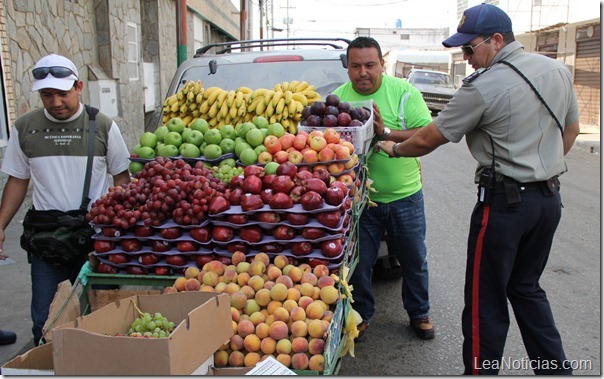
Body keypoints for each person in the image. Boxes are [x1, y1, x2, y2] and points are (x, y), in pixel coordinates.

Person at [377, 3, 579, 374]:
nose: (466, 58)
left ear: (497, 40)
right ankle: (555, 370)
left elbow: (429, 139)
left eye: (470, 49)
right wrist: (541, 168)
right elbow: (571, 131)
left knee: (485, 299)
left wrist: (393, 147)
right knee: (527, 288)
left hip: (505, 207)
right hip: (548, 201)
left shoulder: (482, 87)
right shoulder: (557, 71)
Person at [0, 54, 131, 346]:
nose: (56, 102)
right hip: (47, 240)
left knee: (104, 313)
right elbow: (18, 180)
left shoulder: (103, 126)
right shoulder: (25, 128)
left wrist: (116, 223)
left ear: (79, 86)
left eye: (63, 93)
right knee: (45, 320)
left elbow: (121, 178)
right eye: (47, 95)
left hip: (95, 238)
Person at [332, 36, 435, 340]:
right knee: (360, 264)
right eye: (356, 66)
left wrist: (385, 132)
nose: (363, 72)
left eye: (369, 65)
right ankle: (361, 316)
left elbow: (426, 133)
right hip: (360, 200)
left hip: (405, 196)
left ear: (381, 65)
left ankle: (419, 313)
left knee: (414, 259)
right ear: (347, 68)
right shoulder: (338, 99)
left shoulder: (404, 93)